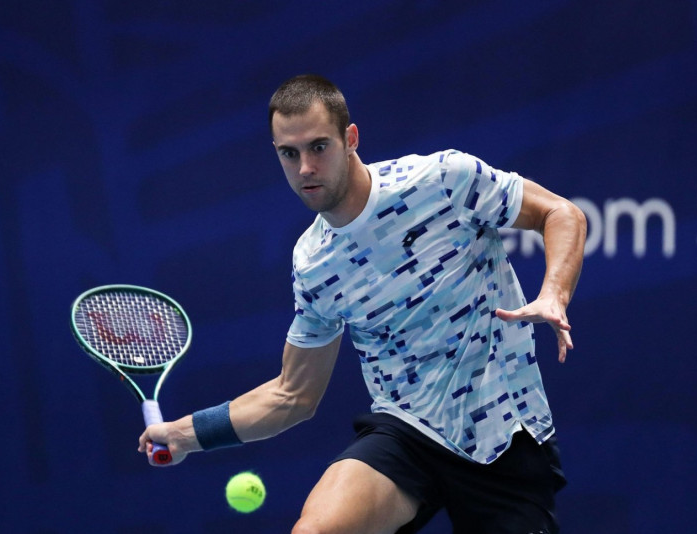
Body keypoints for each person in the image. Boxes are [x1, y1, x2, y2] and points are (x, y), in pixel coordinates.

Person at [139, 74, 587, 534]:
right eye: (289, 154)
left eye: (318, 147)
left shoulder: (443, 180)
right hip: (407, 432)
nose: (305, 168)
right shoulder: (313, 261)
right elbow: (293, 395)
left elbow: (561, 213)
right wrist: (184, 435)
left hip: (504, 431)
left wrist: (553, 294)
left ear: (350, 138)